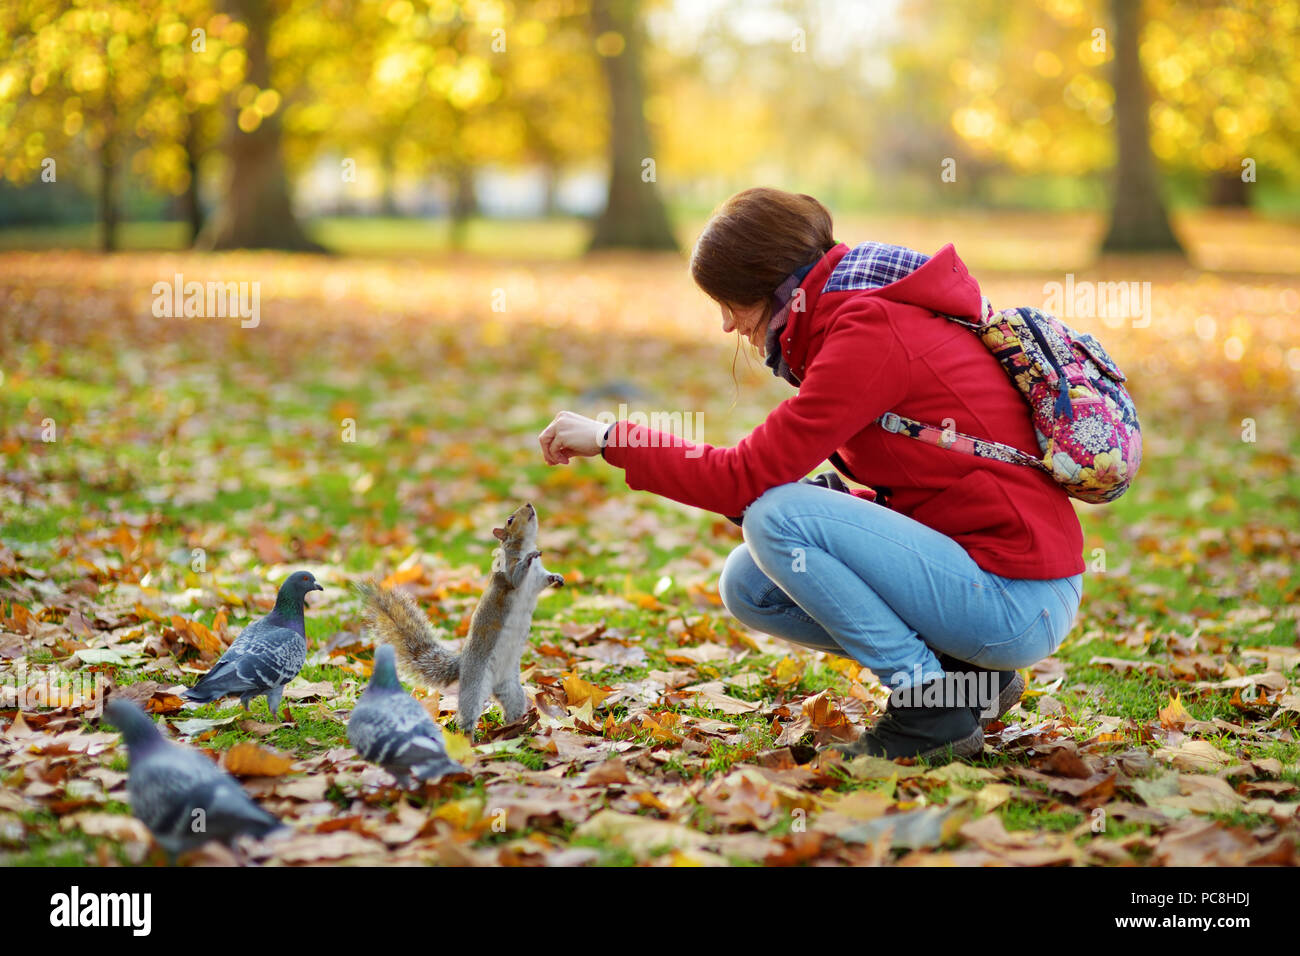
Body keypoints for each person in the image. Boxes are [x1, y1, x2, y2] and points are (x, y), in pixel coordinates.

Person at [537, 187, 1084, 763]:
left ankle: (931, 708)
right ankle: (967, 676)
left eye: (731, 302)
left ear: (778, 287)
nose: (726, 325)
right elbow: (933, 477)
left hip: (1017, 598)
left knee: (778, 517)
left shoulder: (870, 332)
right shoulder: (856, 317)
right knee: (749, 584)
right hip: (990, 583)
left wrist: (610, 438)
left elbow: (741, 478)